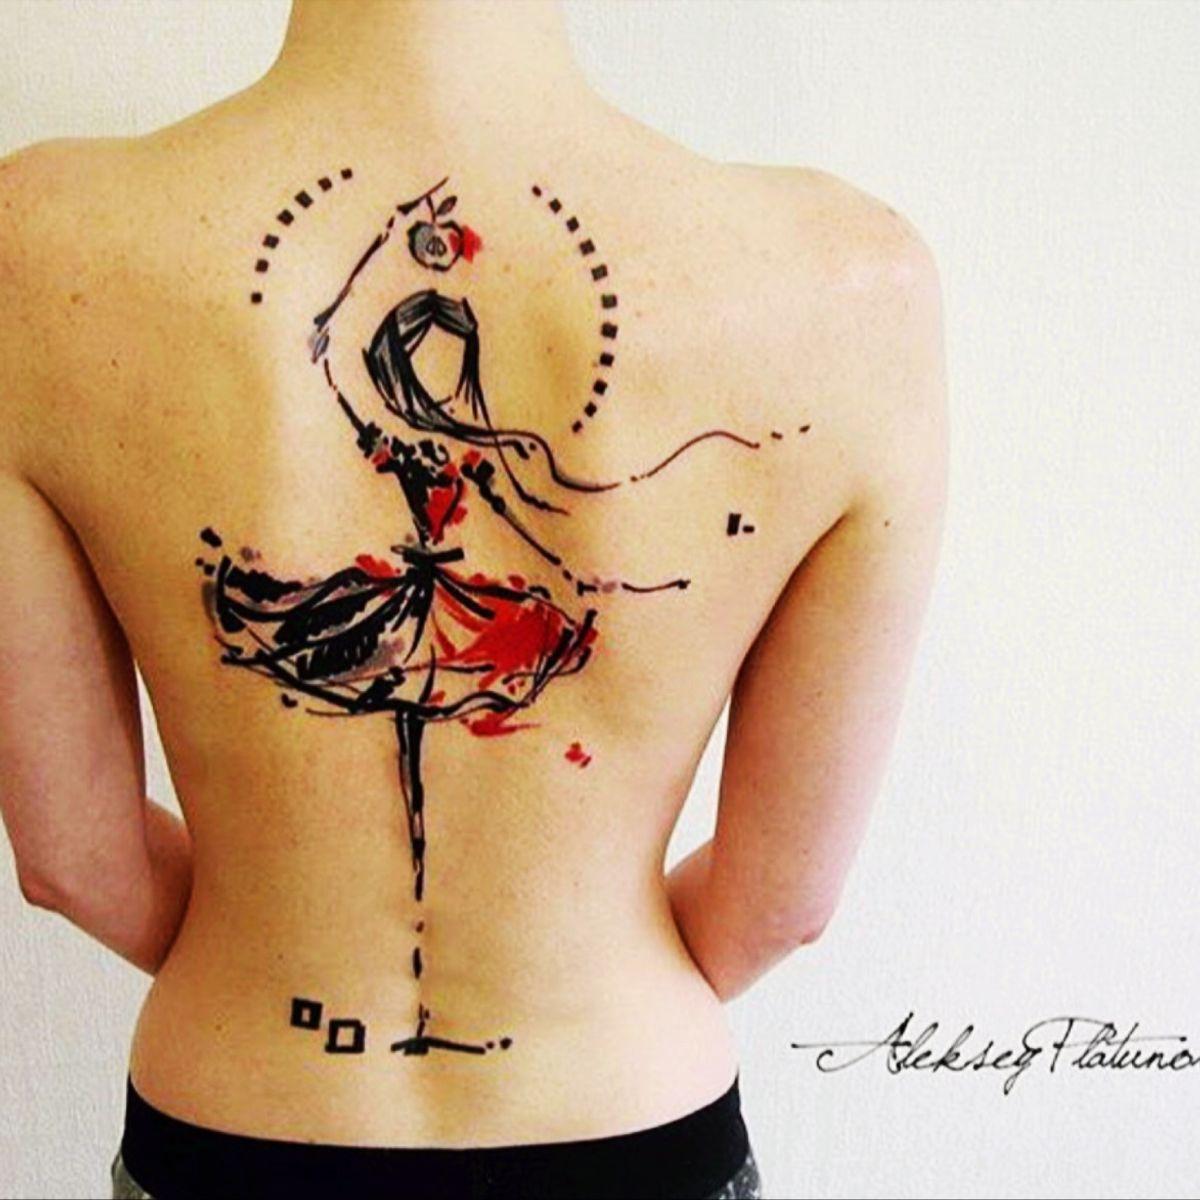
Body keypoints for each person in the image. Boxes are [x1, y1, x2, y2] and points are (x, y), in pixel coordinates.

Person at [0, 1, 948, 1196]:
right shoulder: (853, 283)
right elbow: (780, 908)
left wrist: (261, 952)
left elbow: (75, 863)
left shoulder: (34, 244)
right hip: (628, 1119)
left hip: (236, 1121)